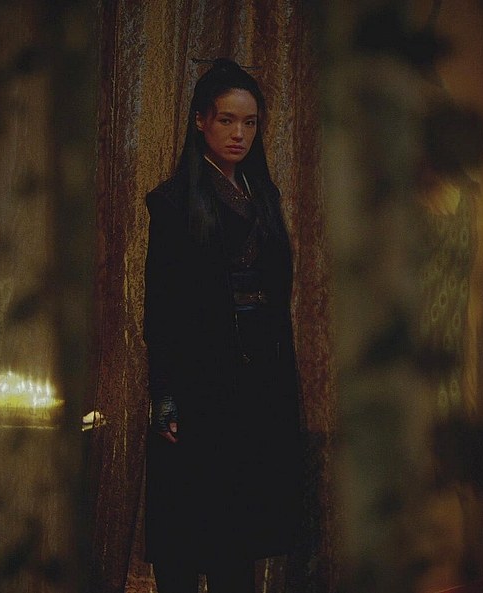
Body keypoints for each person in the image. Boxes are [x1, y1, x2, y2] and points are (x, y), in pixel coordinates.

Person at [143, 58, 303, 593]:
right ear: (200, 121)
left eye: (250, 122)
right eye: (227, 120)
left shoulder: (265, 195)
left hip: (259, 379)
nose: (239, 134)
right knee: (190, 526)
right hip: (200, 380)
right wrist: (165, 396)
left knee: (242, 527)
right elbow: (160, 308)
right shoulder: (173, 202)